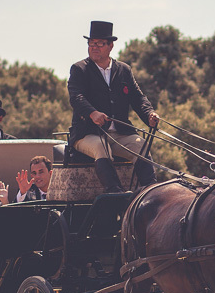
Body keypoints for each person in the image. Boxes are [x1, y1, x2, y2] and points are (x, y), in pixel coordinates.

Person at [68, 20, 160, 193]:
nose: (94, 47)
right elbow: (76, 97)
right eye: (91, 43)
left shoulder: (124, 70)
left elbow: (138, 98)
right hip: (87, 134)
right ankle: (114, 191)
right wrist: (92, 113)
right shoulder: (79, 69)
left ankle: (151, 190)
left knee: (141, 145)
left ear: (110, 46)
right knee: (101, 146)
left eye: (99, 44)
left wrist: (149, 114)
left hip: (120, 133)